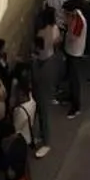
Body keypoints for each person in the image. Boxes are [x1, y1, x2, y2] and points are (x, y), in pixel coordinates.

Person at [29, 11, 59, 151]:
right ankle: (43, 136)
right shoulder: (53, 29)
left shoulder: (40, 34)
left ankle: (45, 140)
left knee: (42, 109)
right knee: (43, 108)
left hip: (43, 67)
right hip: (51, 61)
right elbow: (56, 41)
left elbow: (37, 53)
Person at [61, 0, 88, 113]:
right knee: (70, 77)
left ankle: (76, 106)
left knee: (74, 79)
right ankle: (70, 96)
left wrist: (66, 30)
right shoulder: (73, 17)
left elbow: (73, 37)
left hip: (75, 52)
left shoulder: (78, 22)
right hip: (70, 50)